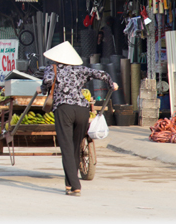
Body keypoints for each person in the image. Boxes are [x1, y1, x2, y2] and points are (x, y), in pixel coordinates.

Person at [37, 41, 118, 197]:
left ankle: (75, 186)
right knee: (75, 148)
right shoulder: (81, 69)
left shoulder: (52, 69)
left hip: (64, 109)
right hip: (82, 110)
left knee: (67, 148)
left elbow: (47, 83)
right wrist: (111, 83)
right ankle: (69, 183)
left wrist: (42, 89)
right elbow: (101, 74)